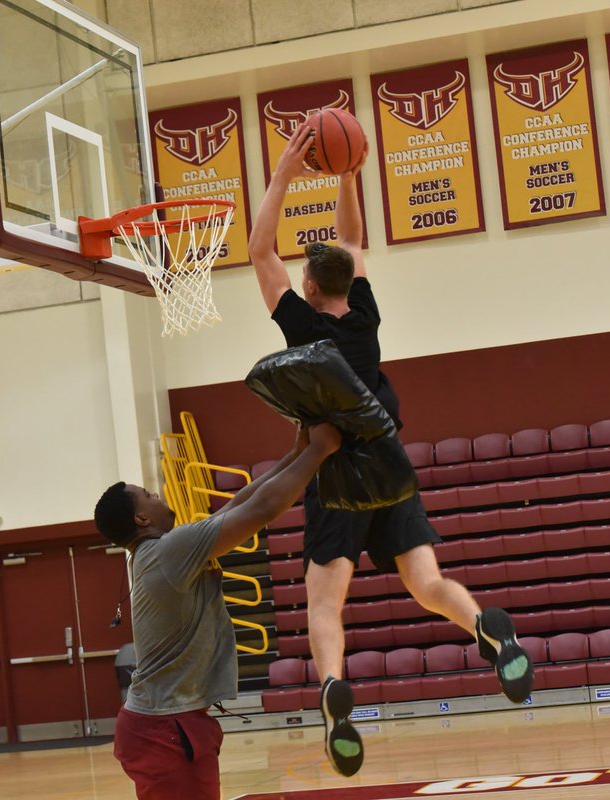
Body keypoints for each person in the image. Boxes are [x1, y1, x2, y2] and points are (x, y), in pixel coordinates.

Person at [246, 123, 533, 777]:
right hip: (390, 461)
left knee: (326, 604)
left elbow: (262, 250)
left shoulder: (302, 321)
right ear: (349, 283)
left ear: (311, 288)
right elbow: (351, 241)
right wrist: (347, 174)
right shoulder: (365, 314)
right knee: (427, 582)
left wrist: (284, 175)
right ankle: (487, 627)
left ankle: (332, 694)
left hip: (336, 470)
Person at [95, 421, 343, 799]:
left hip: (161, 724)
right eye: (148, 494)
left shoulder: (159, 552)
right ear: (141, 519)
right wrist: (319, 451)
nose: (158, 494)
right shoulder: (168, 551)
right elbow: (264, 508)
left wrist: (296, 453)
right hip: (164, 728)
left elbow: (238, 504)